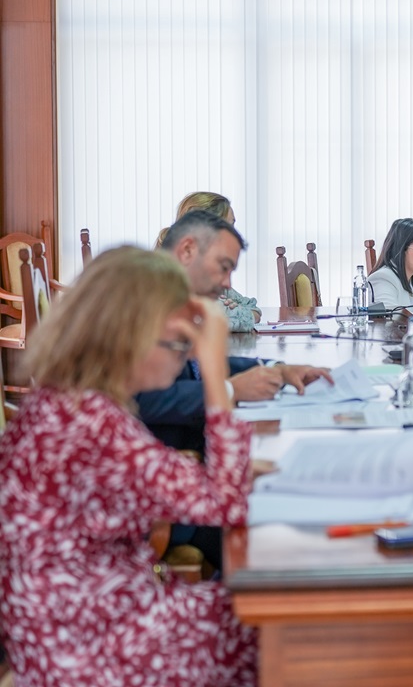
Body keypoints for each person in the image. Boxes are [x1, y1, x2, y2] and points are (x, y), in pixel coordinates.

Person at [0, 246, 257, 685]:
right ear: (130, 337)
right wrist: (216, 373)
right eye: (178, 345)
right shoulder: (94, 424)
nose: (183, 360)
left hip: (68, 630)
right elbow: (228, 502)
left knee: (262, 615)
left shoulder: (63, 404)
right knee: (280, 628)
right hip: (93, 649)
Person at [137, 210, 331, 453]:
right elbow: (140, 399)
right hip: (163, 461)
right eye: (223, 267)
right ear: (187, 251)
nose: (228, 283)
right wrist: (231, 389)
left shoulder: (178, 299)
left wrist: (276, 370)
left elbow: (199, 367)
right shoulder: (141, 299)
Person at [156, 190, 261, 332]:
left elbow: (253, 309)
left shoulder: (211, 279)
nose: (227, 284)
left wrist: (238, 312)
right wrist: (238, 315)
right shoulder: (171, 285)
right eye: (227, 227)